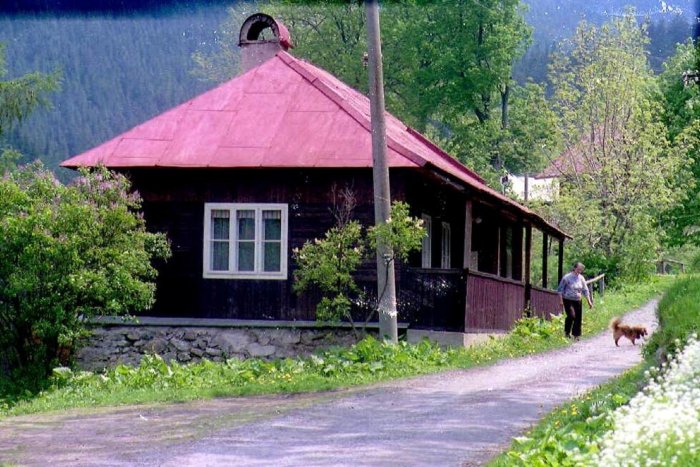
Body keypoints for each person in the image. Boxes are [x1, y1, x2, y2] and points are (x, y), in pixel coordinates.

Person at [556, 262, 593, 340]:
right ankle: (567, 332)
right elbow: (560, 290)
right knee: (571, 315)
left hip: (578, 300)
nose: (579, 271)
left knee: (578, 318)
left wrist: (589, 301)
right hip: (568, 299)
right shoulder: (567, 277)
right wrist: (561, 301)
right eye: (578, 269)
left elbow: (585, 290)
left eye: (581, 270)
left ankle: (576, 335)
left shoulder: (581, 278)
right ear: (574, 268)